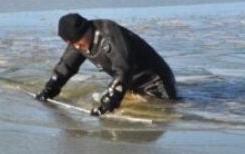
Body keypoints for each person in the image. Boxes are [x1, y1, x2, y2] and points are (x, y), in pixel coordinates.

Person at [36, 13, 177, 116]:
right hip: (130, 84)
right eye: (72, 44)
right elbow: (66, 66)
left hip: (155, 82)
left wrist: (109, 101)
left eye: (78, 42)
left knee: (165, 109)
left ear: (86, 30)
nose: (77, 47)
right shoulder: (79, 42)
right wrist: (50, 88)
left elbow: (124, 69)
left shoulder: (109, 34)